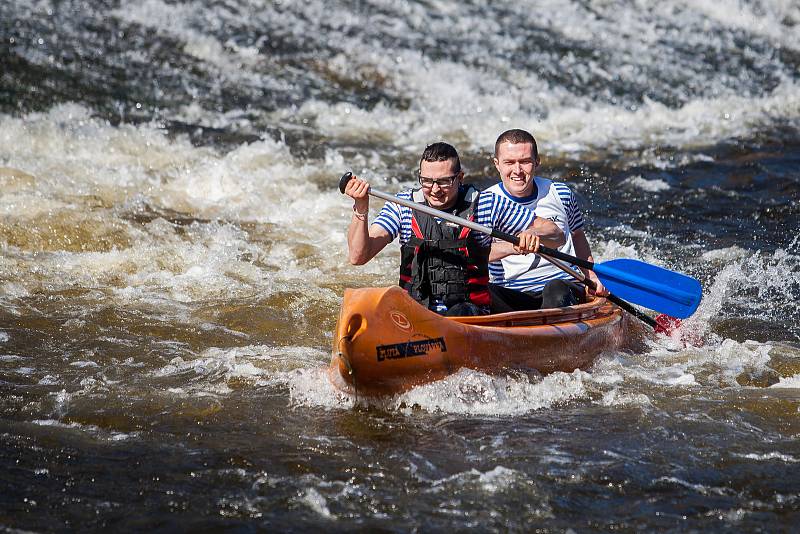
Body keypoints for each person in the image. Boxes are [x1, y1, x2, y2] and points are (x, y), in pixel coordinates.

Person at [344, 142, 565, 316]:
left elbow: (556, 235)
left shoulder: (487, 204)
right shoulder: (402, 205)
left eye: (444, 182)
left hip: (469, 314)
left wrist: (533, 234)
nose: (435, 190)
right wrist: (361, 208)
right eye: (427, 181)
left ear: (460, 178)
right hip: (416, 313)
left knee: (461, 311)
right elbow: (358, 256)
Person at [486, 129, 609, 312]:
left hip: (562, 286)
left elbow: (577, 236)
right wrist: (514, 246)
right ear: (497, 164)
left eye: (525, 162)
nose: (517, 170)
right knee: (482, 292)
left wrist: (593, 277)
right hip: (511, 292)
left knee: (556, 288)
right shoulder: (485, 202)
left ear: (537, 161)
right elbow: (477, 254)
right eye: (509, 162)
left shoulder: (560, 193)